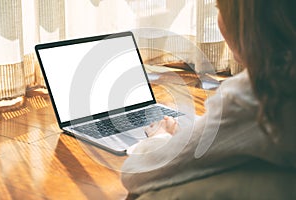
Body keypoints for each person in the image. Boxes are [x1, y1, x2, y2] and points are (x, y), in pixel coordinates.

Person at [121, 0, 296, 197]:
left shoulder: (258, 97)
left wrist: (160, 137)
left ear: (245, 23)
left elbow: (135, 173)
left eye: (219, 9)